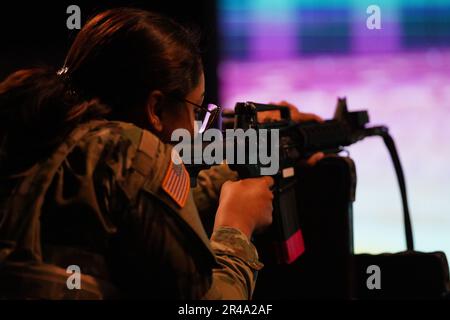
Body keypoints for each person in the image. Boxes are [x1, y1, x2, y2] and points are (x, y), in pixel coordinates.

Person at [0, 8, 322, 299]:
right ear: (155, 109)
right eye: (197, 110)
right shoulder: (134, 152)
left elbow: (151, 202)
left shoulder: (46, 133)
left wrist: (255, 154)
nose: (198, 128)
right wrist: (237, 227)